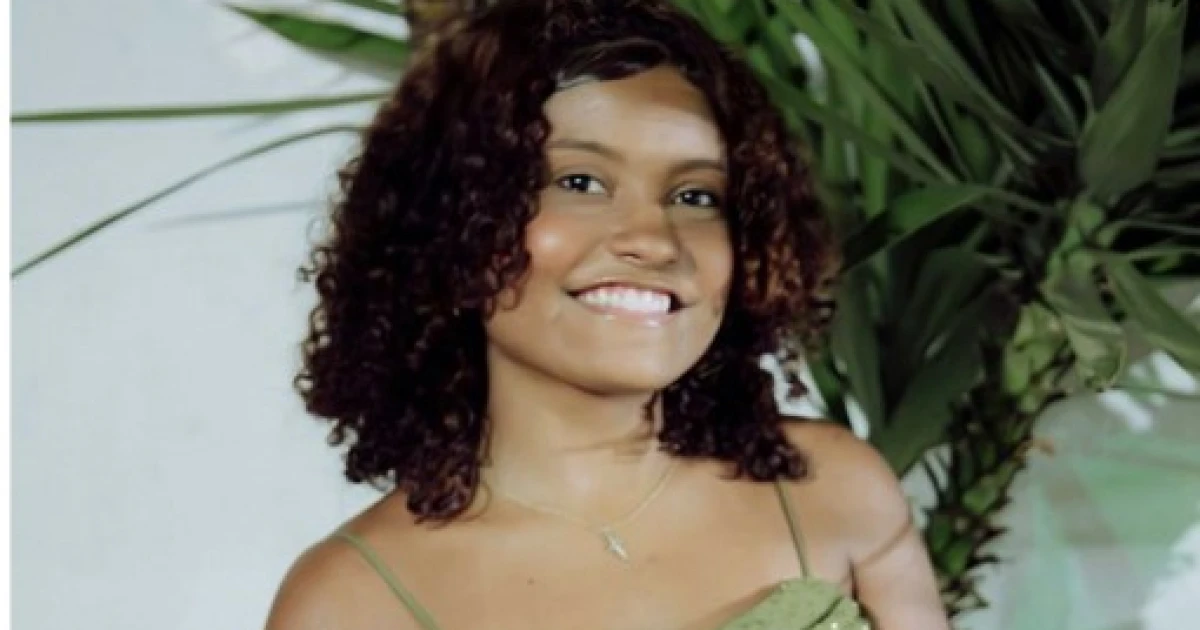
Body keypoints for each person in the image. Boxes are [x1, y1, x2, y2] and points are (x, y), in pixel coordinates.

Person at [266, 1, 949, 628]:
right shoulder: (350, 603)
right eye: (580, 182)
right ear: (449, 226)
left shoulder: (832, 489)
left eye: (696, 195)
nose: (654, 239)